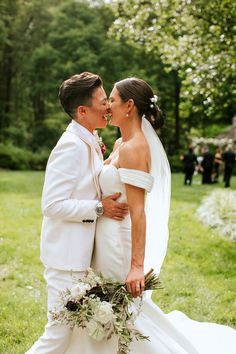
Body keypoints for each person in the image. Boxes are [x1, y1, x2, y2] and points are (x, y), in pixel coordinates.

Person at [65, 78, 236, 354]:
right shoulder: (122, 142)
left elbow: (139, 212)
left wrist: (136, 266)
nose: (108, 106)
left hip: (119, 242)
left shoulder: (135, 149)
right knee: (108, 304)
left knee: (121, 308)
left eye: (113, 100)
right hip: (105, 237)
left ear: (129, 106)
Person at [25, 72, 128, 354]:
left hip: (81, 256)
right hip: (65, 258)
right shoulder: (70, 145)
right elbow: (52, 204)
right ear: (83, 111)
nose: (108, 107)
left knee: (74, 334)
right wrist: (99, 207)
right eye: (103, 101)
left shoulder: (89, 139)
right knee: (58, 333)